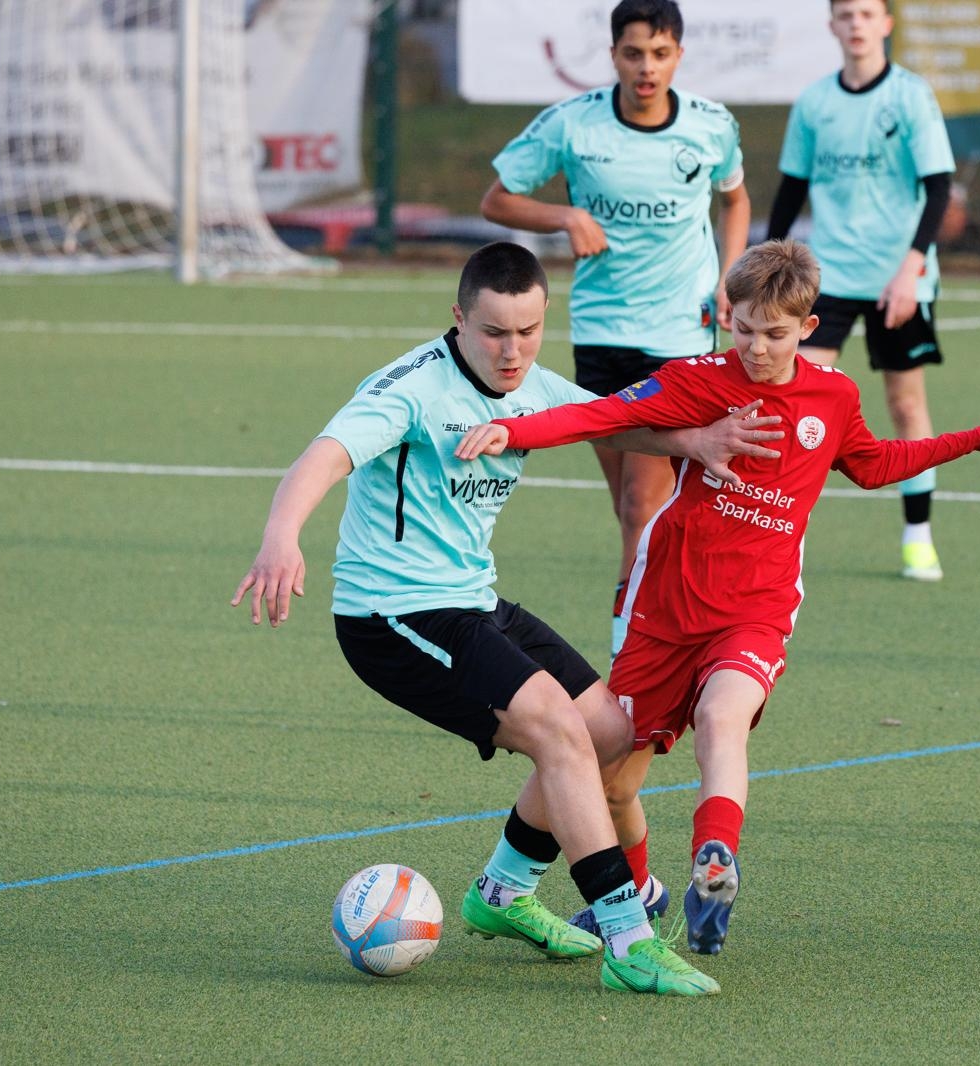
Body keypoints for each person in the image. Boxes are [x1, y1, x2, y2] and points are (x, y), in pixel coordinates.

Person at [457, 240, 980, 954]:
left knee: (723, 718)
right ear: (728, 317)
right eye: (743, 329)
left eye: (774, 333)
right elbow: (602, 416)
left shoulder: (832, 396)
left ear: (808, 327)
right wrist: (512, 429)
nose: (756, 347)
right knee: (612, 780)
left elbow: (874, 465)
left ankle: (714, 862)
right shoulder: (696, 380)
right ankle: (644, 896)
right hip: (666, 609)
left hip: (756, 608)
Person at [229, 242, 786, 996]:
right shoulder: (412, 388)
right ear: (459, 319)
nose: (512, 351)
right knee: (559, 731)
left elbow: (608, 423)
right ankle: (628, 938)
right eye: (494, 332)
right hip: (393, 614)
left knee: (609, 731)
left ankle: (500, 894)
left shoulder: (533, 386)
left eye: (528, 331)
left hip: (473, 601)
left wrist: (695, 441)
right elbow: (324, 456)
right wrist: (280, 536)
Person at [480, 0, 751, 658]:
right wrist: (566, 216)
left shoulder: (711, 126)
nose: (646, 68)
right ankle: (663, 617)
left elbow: (735, 199)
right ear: (613, 57)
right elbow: (496, 199)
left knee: (639, 504)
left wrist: (729, 276)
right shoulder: (573, 123)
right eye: (633, 54)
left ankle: (631, 658)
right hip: (602, 333)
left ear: (678, 55)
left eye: (659, 54)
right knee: (630, 507)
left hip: (681, 335)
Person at [765, 0, 958, 582]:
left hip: (898, 276)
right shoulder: (815, 102)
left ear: (886, 24)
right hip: (828, 277)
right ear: (832, 25)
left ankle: (918, 536)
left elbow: (939, 188)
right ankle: (780, 536)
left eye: (868, 14)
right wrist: (765, 266)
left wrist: (909, 271)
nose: (857, 24)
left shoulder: (910, 95)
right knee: (795, 400)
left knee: (905, 404)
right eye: (846, 14)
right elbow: (792, 188)